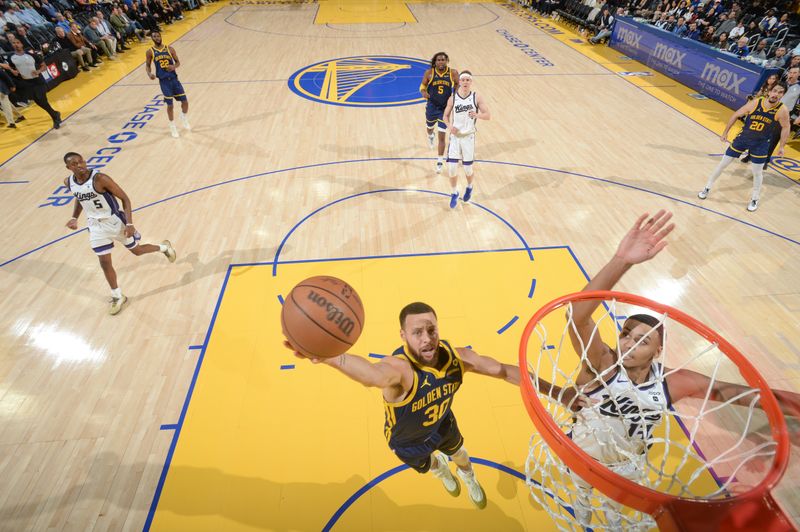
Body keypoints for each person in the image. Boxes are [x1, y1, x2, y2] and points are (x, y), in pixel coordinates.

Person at [550, 210, 800, 527]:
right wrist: (621, 260)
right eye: (626, 335)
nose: (628, 344)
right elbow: (577, 316)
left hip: (627, 467)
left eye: (642, 341)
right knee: (582, 504)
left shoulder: (676, 381)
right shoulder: (601, 363)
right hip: (580, 455)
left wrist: (793, 405)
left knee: (615, 517)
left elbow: (749, 396)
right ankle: (583, 515)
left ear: (659, 350)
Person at [284, 301, 557, 510]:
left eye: (431, 329)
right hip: (407, 440)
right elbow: (371, 375)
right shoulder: (400, 370)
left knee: (461, 453)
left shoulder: (457, 358)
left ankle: (469, 477)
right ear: (403, 335)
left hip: (442, 423)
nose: (427, 338)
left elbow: (505, 371)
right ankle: (440, 472)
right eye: (417, 332)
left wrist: (557, 392)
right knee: (432, 466)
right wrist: (330, 356)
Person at [63, 152, 176, 315]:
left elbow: (126, 199)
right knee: (104, 262)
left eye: (81, 161)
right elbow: (80, 198)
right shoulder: (69, 182)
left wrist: (129, 224)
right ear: (68, 168)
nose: (79, 165)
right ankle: (117, 295)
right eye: (74, 164)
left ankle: (163, 247)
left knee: (136, 251)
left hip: (115, 222)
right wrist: (74, 217)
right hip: (95, 226)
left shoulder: (100, 179)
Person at [698, 82, 789, 211]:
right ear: (769, 91)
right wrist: (725, 132)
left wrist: (781, 146)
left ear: (783, 95)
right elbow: (736, 114)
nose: (776, 94)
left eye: (780, 92)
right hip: (743, 139)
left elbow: (786, 127)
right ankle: (707, 187)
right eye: (775, 90)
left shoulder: (782, 110)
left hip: (761, 144)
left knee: (757, 173)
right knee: (722, 164)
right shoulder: (756, 102)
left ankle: (754, 199)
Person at [442, 71, 490, 208]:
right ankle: (454, 192)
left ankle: (469, 187)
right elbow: (445, 116)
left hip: (468, 137)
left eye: (468, 80)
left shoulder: (476, 97)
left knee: (468, 169)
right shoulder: (452, 99)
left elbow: (488, 115)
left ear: (471, 82)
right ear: (459, 82)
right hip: (455, 137)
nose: (465, 82)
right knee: (452, 168)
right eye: (463, 80)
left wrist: (477, 115)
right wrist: (449, 126)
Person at [8, 38, 61, 129]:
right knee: (39, 102)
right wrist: (13, 71)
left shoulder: (31, 55)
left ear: (21, 44)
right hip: (26, 82)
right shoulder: (11, 57)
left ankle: (55, 117)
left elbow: (44, 66)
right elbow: (13, 69)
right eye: (13, 43)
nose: (16, 44)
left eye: (17, 42)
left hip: (37, 81)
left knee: (42, 100)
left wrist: (38, 71)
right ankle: (55, 113)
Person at [146, 31, 189, 138]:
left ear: (161, 36)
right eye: (154, 36)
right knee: (170, 105)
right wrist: (149, 74)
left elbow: (178, 62)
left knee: (185, 101)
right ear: (152, 39)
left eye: (158, 36)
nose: (157, 38)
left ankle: (183, 116)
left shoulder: (170, 49)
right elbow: (147, 65)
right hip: (164, 81)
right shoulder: (150, 51)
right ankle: (172, 126)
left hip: (174, 79)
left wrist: (173, 67)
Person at [419, 52, 458, 173]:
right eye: (439, 60)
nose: (441, 62)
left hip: (445, 109)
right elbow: (422, 86)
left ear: (447, 61)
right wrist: (424, 93)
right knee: (429, 128)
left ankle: (439, 161)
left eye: (443, 60)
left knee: (442, 136)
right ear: (435, 62)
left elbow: (457, 84)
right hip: (431, 106)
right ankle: (430, 135)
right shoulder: (429, 73)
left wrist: (455, 95)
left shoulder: (453, 73)